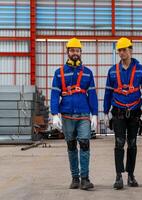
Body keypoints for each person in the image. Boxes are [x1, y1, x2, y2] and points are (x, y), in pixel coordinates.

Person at [103, 37, 142, 189]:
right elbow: (107, 93)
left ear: (131, 50)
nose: (122, 53)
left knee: (132, 144)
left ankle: (131, 175)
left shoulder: (140, 70)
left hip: (134, 112)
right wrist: (105, 112)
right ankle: (118, 176)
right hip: (118, 112)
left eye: (124, 49)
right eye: (119, 50)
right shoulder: (112, 71)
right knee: (119, 143)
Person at [51, 38, 98, 190]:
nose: (75, 53)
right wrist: (55, 114)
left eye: (77, 50)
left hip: (83, 114)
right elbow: (54, 95)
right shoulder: (59, 73)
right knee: (71, 146)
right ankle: (75, 178)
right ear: (67, 52)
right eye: (72, 50)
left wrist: (95, 114)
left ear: (80, 52)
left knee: (84, 144)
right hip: (66, 115)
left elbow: (92, 95)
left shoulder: (88, 73)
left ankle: (85, 178)